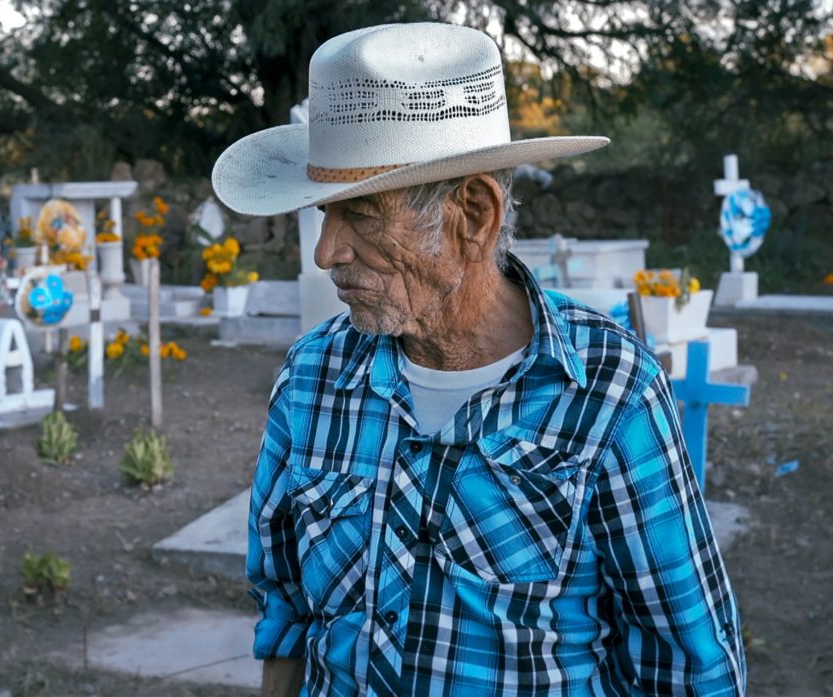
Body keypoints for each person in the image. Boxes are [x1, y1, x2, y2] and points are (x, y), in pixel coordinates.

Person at [211, 22, 746, 697]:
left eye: (362, 215)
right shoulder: (312, 379)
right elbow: (286, 613)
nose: (327, 252)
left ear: (473, 214)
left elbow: (687, 664)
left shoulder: (609, 394)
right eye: (325, 214)